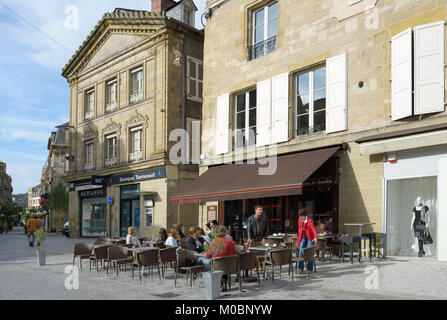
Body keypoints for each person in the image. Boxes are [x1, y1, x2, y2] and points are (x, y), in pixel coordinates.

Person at [198, 226, 236, 290]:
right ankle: (224, 283)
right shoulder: (230, 241)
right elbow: (233, 253)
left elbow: (208, 256)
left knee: (205, 261)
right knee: (224, 264)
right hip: (230, 266)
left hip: (217, 266)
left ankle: (219, 283)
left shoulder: (213, 242)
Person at [296, 208, 317, 274]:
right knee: (300, 251)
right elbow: (299, 231)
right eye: (300, 216)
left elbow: (313, 229)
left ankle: (310, 269)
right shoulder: (299, 220)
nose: (301, 217)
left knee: (309, 252)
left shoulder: (309, 221)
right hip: (303, 237)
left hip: (310, 237)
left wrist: (316, 237)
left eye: (302, 216)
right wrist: (298, 241)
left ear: (305, 216)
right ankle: (300, 268)